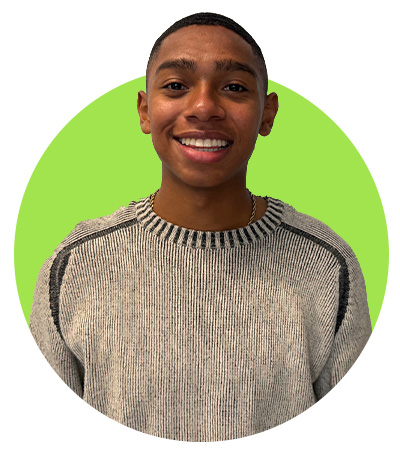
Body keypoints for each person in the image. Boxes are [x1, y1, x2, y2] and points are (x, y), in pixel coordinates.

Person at [29, 12, 372, 442]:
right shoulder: (75, 265)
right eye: (176, 86)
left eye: (235, 87)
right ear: (145, 111)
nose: (204, 106)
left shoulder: (327, 267)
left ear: (267, 114)